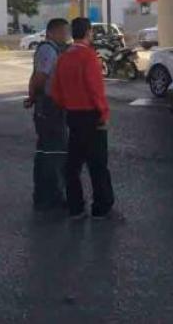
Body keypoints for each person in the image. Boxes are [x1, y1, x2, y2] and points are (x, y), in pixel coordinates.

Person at [52, 17, 115, 220]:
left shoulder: (63, 57)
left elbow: (56, 91)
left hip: (73, 115)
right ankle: (101, 207)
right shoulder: (89, 57)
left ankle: (76, 207)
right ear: (89, 32)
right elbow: (96, 89)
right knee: (97, 164)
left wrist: (68, 105)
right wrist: (103, 113)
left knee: (73, 165)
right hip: (92, 115)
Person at [24, 18, 70, 211]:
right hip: (50, 107)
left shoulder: (55, 50)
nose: (65, 36)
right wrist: (35, 96)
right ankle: (50, 197)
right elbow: (40, 77)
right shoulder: (48, 50)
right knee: (53, 152)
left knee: (47, 151)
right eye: (62, 32)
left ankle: (45, 195)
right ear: (51, 33)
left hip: (49, 105)